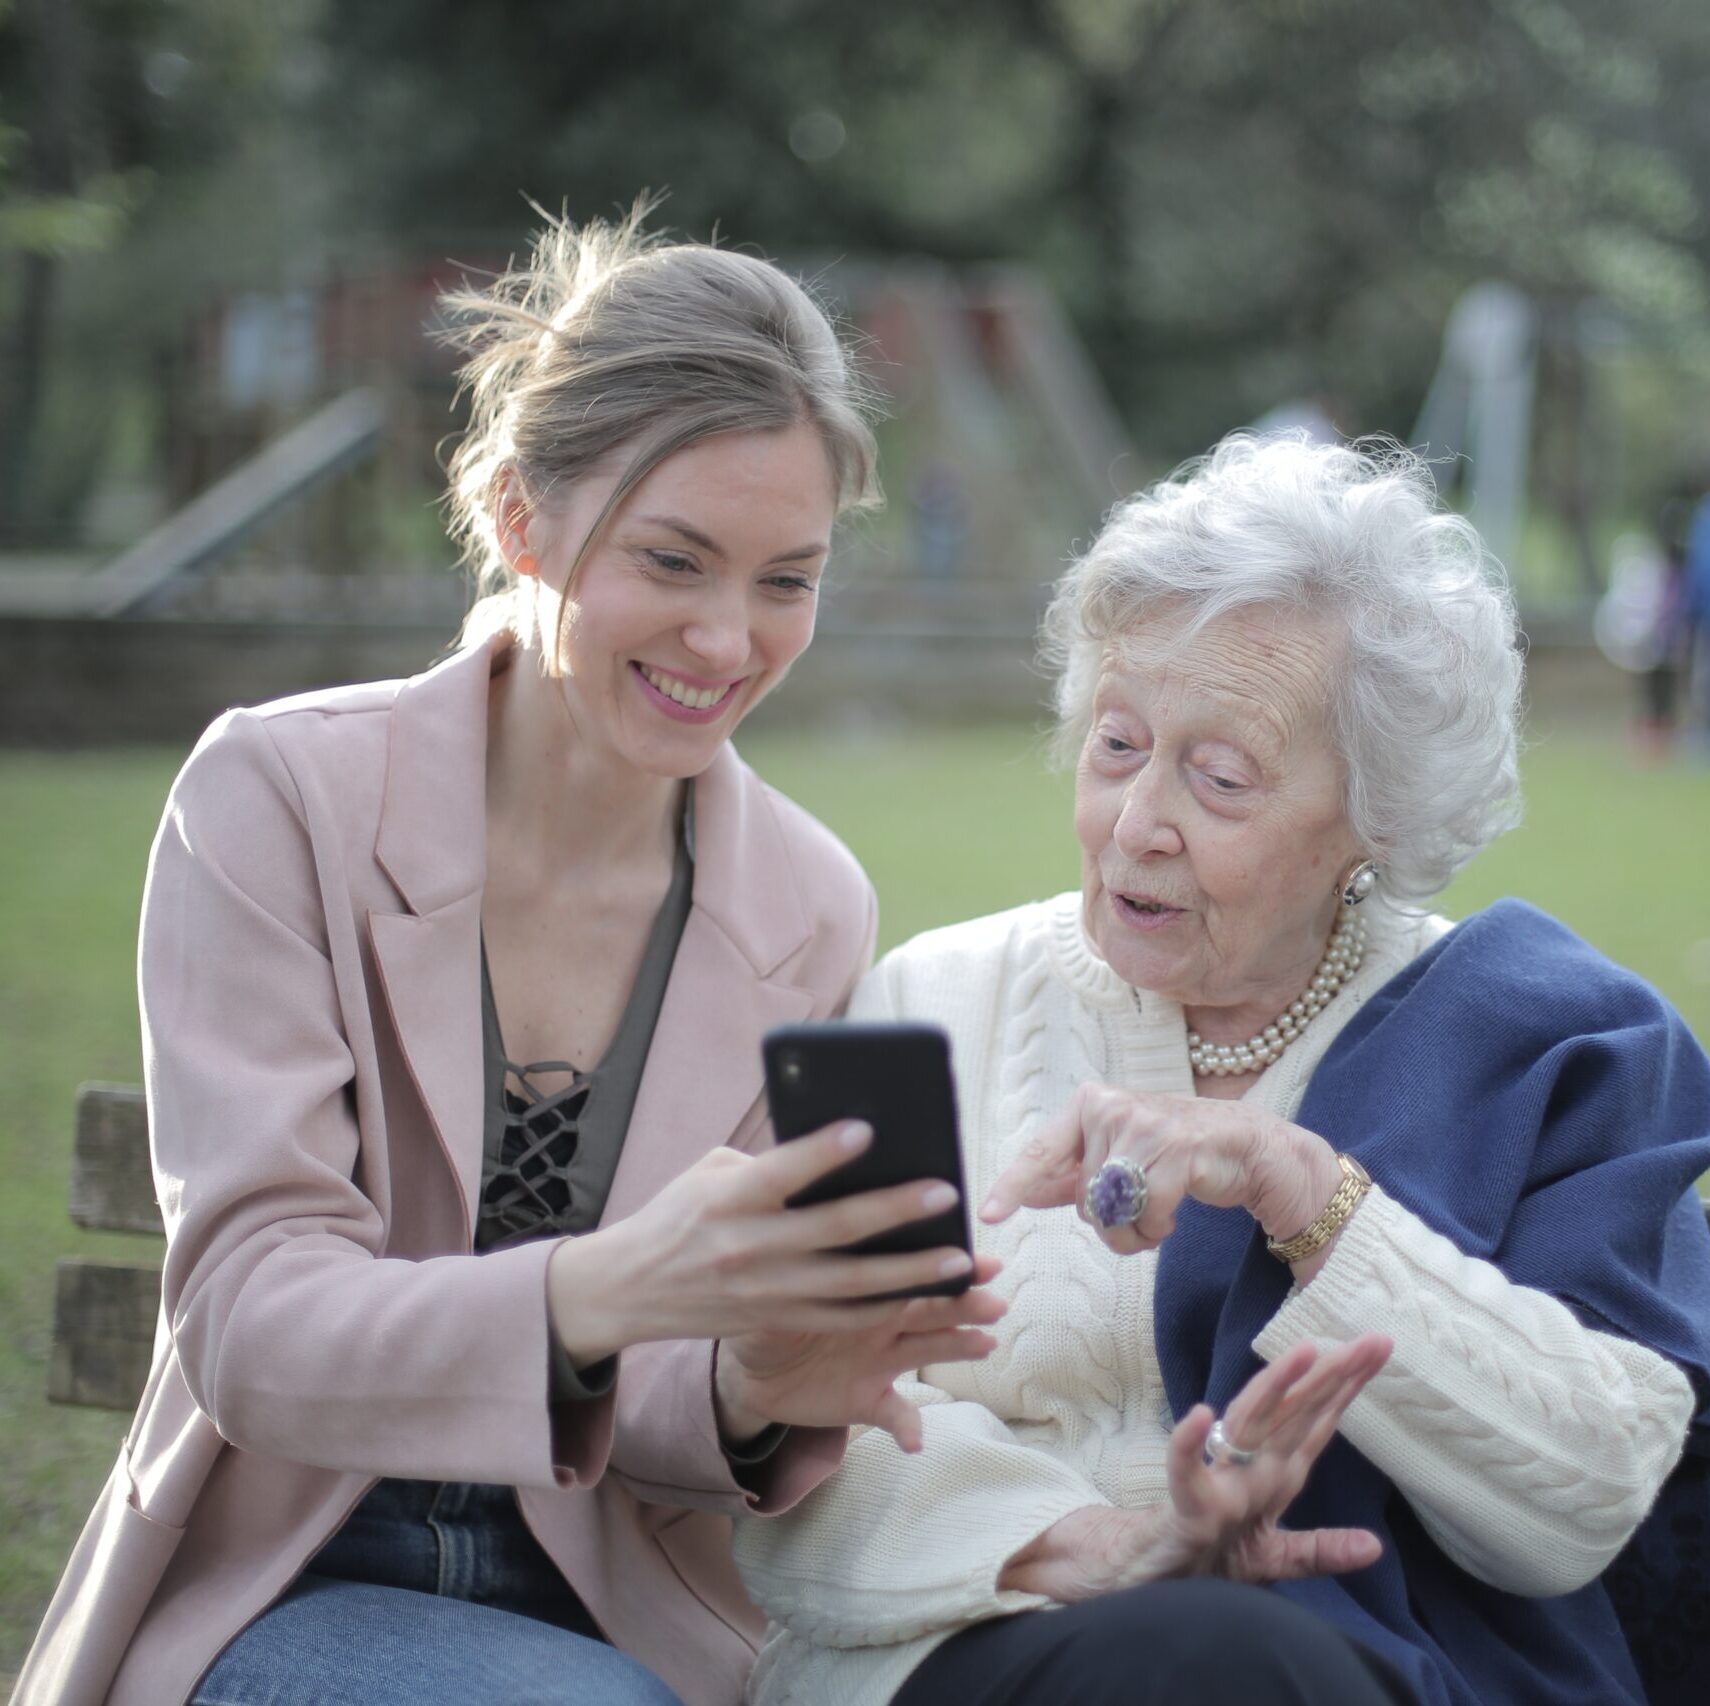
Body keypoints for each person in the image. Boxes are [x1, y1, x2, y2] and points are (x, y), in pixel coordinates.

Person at [14, 207, 1005, 1706]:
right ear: (515, 514)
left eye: (787, 579)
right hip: (288, 1583)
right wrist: (599, 1286)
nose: (727, 640)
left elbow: (667, 1394)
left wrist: (751, 1381)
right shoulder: (277, 797)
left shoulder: (807, 898)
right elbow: (250, 1320)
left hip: (630, 1618)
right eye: (672, 559)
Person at [734, 434, 1710, 1706]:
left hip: (1396, 1673)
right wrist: (1095, 1545)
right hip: (970, 1646)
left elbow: (1586, 1496)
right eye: (1119, 743)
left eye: (1221, 775)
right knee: (1217, 1659)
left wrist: (1309, 1196)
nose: (1138, 821)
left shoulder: (1546, 1039)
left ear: (1378, 817)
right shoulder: (934, 999)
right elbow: (797, 1419)